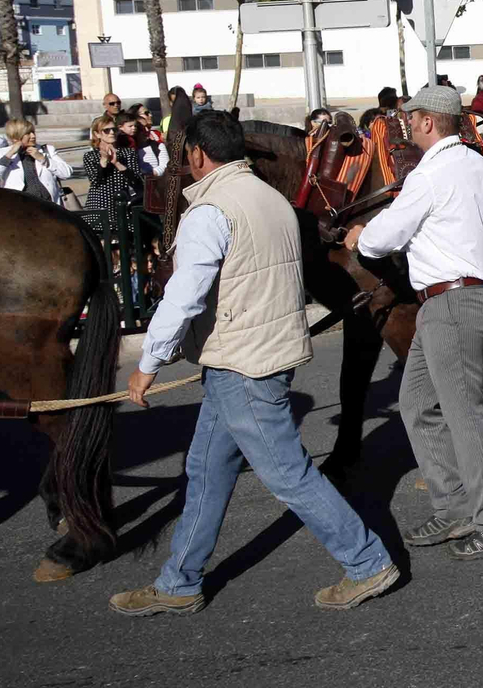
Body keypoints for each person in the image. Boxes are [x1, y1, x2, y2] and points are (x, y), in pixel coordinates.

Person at [108, 112, 398, 616]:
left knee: (288, 473)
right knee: (205, 466)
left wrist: (148, 363)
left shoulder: (211, 210)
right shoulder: (276, 202)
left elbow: (184, 295)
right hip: (259, 353)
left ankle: (367, 561)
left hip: (243, 361)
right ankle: (180, 582)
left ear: (197, 154)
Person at [345, 84, 483, 560]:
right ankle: (457, 503)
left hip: (450, 302)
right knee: (417, 403)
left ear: (427, 122)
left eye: (410, 118)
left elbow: (382, 238)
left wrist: (362, 234)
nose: (405, 126)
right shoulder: (476, 165)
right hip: (455, 301)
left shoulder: (431, 172)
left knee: (464, 414)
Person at [0, 118, 73, 203]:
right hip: (19, 206)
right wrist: (10, 154)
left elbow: (67, 173)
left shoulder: (47, 150)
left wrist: (43, 159)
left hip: (48, 205)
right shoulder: (4, 153)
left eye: (33, 132)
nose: (33, 136)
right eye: (28, 133)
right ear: (15, 137)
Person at [82, 114, 143, 234]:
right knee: (103, 245)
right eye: (106, 130)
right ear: (97, 134)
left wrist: (118, 164)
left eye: (114, 129)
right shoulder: (90, 156)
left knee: (125, 245)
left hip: (123, 206)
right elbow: (95, 181)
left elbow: (136, 179)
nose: (111, 133)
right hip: (100, 205)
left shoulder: (128, 153)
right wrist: (103, 162)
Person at [118, 111, 169, 177]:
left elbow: (165, 165)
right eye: (141, 128)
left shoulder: (156, 145)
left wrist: (151, 174)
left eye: (148, 127)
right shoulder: (127, 147)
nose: (147, 130)